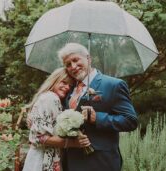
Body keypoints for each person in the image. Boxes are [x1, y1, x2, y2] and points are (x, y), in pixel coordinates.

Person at [58, 43, 138, 171]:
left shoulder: (113, 85)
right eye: (68, 64)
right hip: (71, 160)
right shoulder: (68, 89)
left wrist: (98, 118)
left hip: (100, 161)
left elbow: (130, 121)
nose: (73, 66)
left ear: (88, 58)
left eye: (75, 60)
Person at [22, 67, 91, 171]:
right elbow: (39, 137)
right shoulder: (51, 98)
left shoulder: (48, 97)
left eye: (70, 85)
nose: (67, 87)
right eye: (63, 82)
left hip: (42, 156)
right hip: (42, 159)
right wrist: (74, 143)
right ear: (54, 80)